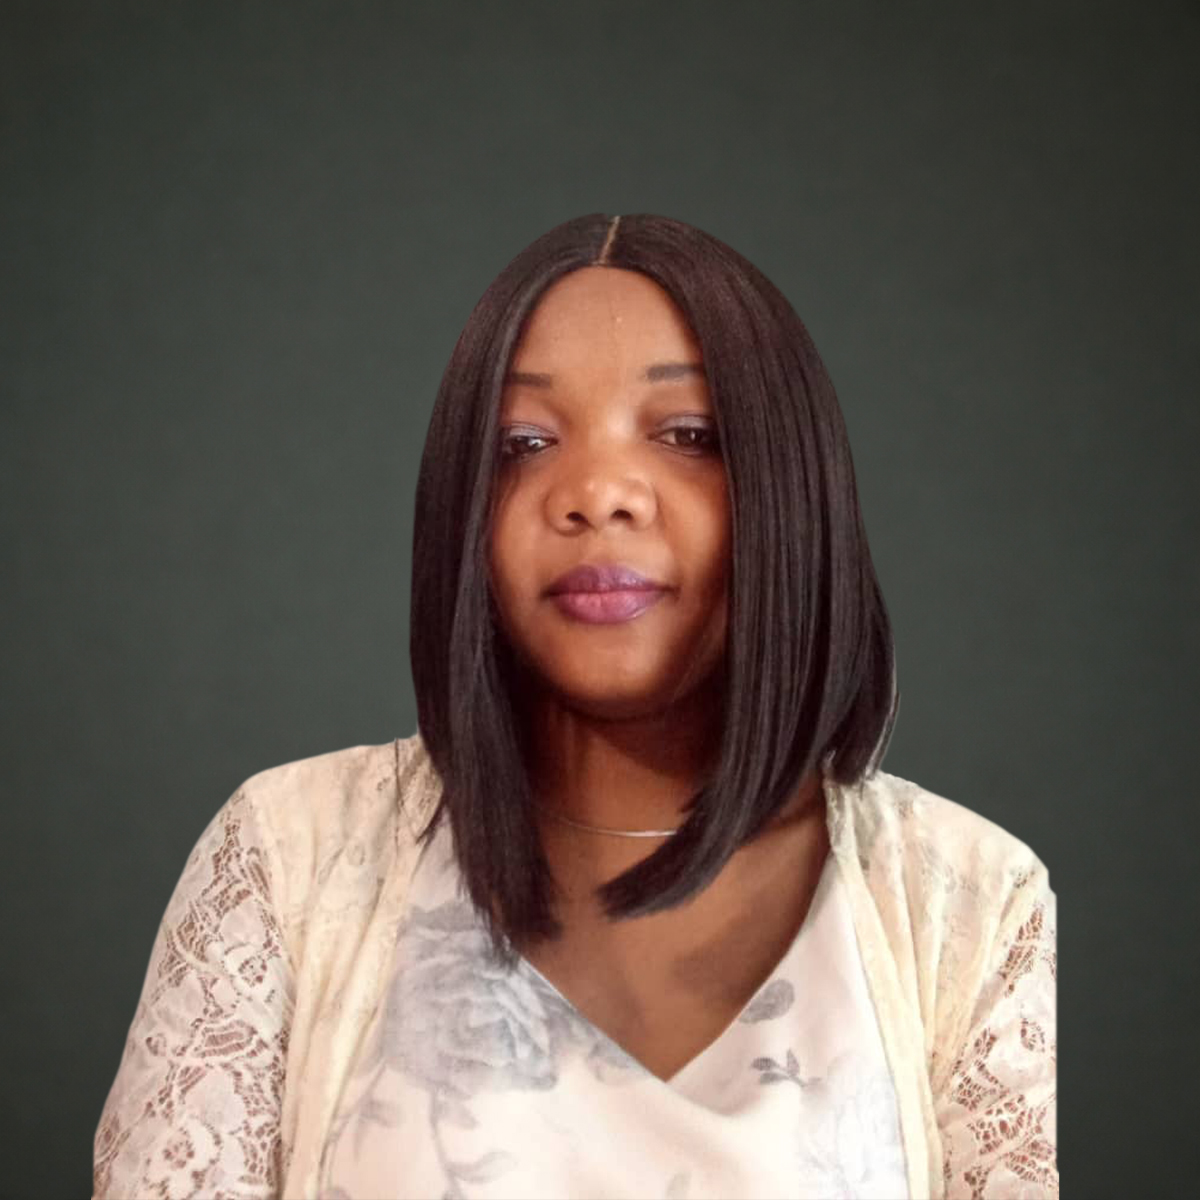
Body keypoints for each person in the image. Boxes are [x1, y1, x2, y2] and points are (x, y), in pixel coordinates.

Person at [93, 213, 1057, 1199]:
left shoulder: (968, 899)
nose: (597, 493)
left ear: (792, 485)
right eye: (523, 442)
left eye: (688, 435)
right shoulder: (289, 855)